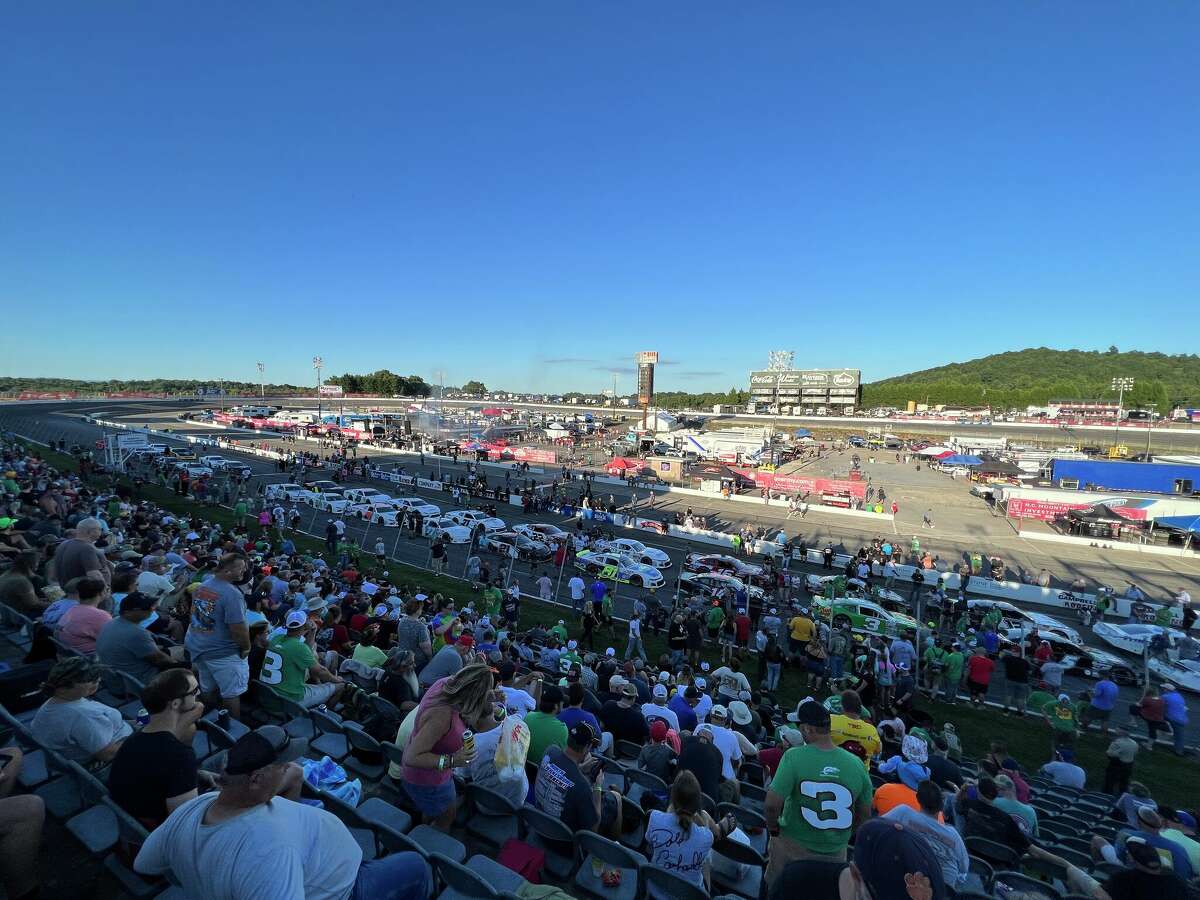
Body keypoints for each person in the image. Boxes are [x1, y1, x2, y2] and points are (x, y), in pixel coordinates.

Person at [134, 725, 430, 898]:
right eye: (282, 764)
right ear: (257, 779)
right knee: (417, 864)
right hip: (346, 888)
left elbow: (145, 864)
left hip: (315, 863)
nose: (289, 767)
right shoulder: (271, 851)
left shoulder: (201, 805)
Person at [764, 701, 873, 885]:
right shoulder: (857, 764)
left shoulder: (793, 756)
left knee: (777, 889)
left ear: (808, 729)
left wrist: (773, 828)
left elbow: (771, 805)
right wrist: (844, 835)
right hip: (835, 852)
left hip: (793, 845)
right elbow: (864, 814)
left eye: (800, 726)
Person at [107, 669, 218, 828]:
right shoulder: (179, 756)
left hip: (133, 813)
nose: (199, 693)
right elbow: (183, 821)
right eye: (194, 691)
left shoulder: (133, 739)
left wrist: (194, 775)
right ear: (175, 703)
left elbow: (156, 773)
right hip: (158, 825)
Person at [401, 663, 495, 830]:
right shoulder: (442, 717)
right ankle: (430, 848)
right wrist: (452, 760)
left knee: (431, 810)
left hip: (432, 777)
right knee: (446, 818)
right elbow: (412, 757)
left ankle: (424, 830)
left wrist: (487, 697)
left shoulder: (446, 684)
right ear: (474, 696)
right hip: (428, 780)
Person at [533, 721, 622, 854]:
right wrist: (597, 787)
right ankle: (615, 846)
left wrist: (579, 769)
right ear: (587, 747)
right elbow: (593, 830)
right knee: (616, 797)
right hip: (565, 846)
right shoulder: (582, 786)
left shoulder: (550, 751)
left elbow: (562, 772)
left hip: (539, 827)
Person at [646, 770, 736, 898]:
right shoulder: (705, 837)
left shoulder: (654, 818)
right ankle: (717, 830)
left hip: (656, 891)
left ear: (673, 798)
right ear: (698, 801)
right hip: (693, 895)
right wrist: (702, 821)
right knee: (705, 858)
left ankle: (716, 829)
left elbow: (650, 844)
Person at [185, 553, 252, 721]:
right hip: (222, 653)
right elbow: (238, 629)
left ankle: (211, 716)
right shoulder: (232, 594)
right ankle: (233, 729)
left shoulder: (204, 585)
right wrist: (246, 647)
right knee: (231, 693)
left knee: (208, 687)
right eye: (241, 568)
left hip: (201, 646)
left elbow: (196, 617)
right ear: (229, 570)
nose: (244, 571)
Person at [30, 657, 132, 766]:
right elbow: (108, 754)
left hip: (116, 733)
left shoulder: (56, 701)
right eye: (90, 679)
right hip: (109, 761)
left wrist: (137, 724)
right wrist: (139, 735)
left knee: (145, 719)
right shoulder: (83, 717)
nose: (98, 679)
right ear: (64, 688)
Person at [883, 781, 973, 892]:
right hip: (941, 891)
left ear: (918, 799)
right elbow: (964, 868)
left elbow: (875, 826)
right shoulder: (953, 834)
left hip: (902, 883)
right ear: (942, 805)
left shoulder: (903, 812)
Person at [262, 610, 347, 709]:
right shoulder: (298, 647)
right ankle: (324, 716)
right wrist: (336, 679)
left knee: (319, 684)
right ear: (305, 626)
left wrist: (312, 632)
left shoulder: (277, 638)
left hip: (269, 695)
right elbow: (321, 671)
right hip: (289, 700)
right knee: (341, 685)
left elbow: (306, 651)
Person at [95, 590, 179, 685]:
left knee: (180, 651)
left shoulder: (112, 621)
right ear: (131, 612)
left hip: (114, 677)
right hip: (132, 684)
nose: (152, 609)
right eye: (147, 607)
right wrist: (181, 666)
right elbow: (161, 660)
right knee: (194, 668)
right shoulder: (136, 633)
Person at [1093, 806, 1195, 880]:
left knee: (1097, 840)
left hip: (1135, 877)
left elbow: (1119, 856)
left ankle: (1099, 876)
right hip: (1171, 887)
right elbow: (1185, 874)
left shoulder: (1125, 834)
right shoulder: (1179, 848)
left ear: (1138, 821)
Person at [829, 690, 881, 770]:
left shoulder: (831, 720)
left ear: (842, 707)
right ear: (860, 708)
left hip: (831, 770)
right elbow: (877, 751)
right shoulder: (872, 730)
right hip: (859, 775)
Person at [676, 723, 725, 804]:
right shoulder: (717, 753)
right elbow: (718, 778)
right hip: (704, 802)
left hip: (679, 794)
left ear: (697, 735)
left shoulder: (686, 741)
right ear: (712, 740)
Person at [526, 684, 569, 765]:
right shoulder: (562, 729)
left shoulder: (528, 716)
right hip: (541, 774)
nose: (563, 705)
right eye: (562, 703)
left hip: (522, 767)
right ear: (556, 706)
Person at [637, 720, 678, 787]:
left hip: (647, 781)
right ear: (664, 736)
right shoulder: (668, 751)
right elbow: (676, 756)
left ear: (651, 734)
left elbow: (640, 767)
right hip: (662, 783)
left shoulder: (644, 749)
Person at [1105, 726, 1139, 796]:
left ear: (1120, 733)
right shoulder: (1134, 743)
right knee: (1124, 783)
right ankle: (1122, 797)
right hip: (1129, 765)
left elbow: (1110, 754)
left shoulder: (1117, 742)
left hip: (1116, 765)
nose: (1115, 731)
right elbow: (1135, 753)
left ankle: (1107, 796)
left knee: (1109, 782)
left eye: (1117, 730)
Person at [1000, 647, 1031, 716]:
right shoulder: (1024, 661)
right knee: (1020, 698)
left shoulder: (1007, 658)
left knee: (1008, 695)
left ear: (1012, 651)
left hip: (1010, 679)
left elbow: (1001, 657)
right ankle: (1019, 713)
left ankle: (1006, 711)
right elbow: (1030, 672)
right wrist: (1028, 661)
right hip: (1022, 681)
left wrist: (1006, 652)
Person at [1161, 683, 1189, 755]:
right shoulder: (1179, 696)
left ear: (1167, 690)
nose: (1163, 689)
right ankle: (1179, 750)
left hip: (1173, 718)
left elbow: (1158, 703)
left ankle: (1166, 733)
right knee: (1180, 736)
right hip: (1183, 719)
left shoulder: (1165, 696)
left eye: (1163, 688)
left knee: (1158, 717)